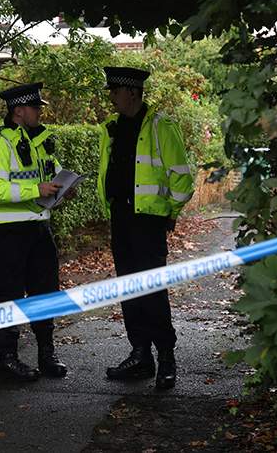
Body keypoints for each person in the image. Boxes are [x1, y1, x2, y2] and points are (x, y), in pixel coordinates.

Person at [97, 66, 194, 389]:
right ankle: (140, 354)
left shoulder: (160, 127)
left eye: (115, 92)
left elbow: (181, 178)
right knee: (129, 288)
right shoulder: (111, 128)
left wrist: (170, 212)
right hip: (121, 217)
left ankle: (166, 356)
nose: (111, 98)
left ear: (132, 92)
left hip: (148, 221)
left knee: (152, 290)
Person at [0, 82, 68, 382]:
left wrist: (64, 189)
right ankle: (7, 361)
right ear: (18, 111)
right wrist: (36, 189)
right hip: (9, 232)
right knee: (9, 294)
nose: (40, 112)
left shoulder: (39, 143)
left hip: (39, 227)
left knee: (45, 290)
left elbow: (52, 178)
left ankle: (46, 354)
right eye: (35, 107)